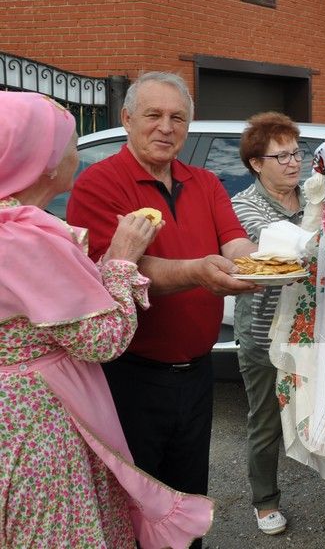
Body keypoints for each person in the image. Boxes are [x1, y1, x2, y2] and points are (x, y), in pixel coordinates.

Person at [0, 91, 214, 548]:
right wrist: (121, 258)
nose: (75, 154)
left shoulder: (18, 227)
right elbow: (101, 337)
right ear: (42, 160)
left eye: (177, 117)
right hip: (42, 425)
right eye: (69, 144)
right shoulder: (24, 239)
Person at [67, 72, 258, 549]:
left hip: (196, 372)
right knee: (136, 499)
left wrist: (264, 263)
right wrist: (197, 271)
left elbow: (233, 239)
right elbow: (126, 265)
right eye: (153, 115)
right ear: (127, 119)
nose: (166, 127)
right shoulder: (98, 183)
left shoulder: (205, 180)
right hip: (129, 375)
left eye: (177, 118)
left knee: (188, 494)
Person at [230, 112, 325, 535]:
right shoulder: (243, 204)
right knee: (266, 419)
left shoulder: (319, 195)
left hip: (322, 324)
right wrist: (320, 211)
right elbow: (281, 246)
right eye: (281, 155)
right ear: (256, 163)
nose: (293, 163)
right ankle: (265, 500)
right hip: (263, 328)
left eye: (296, 153)